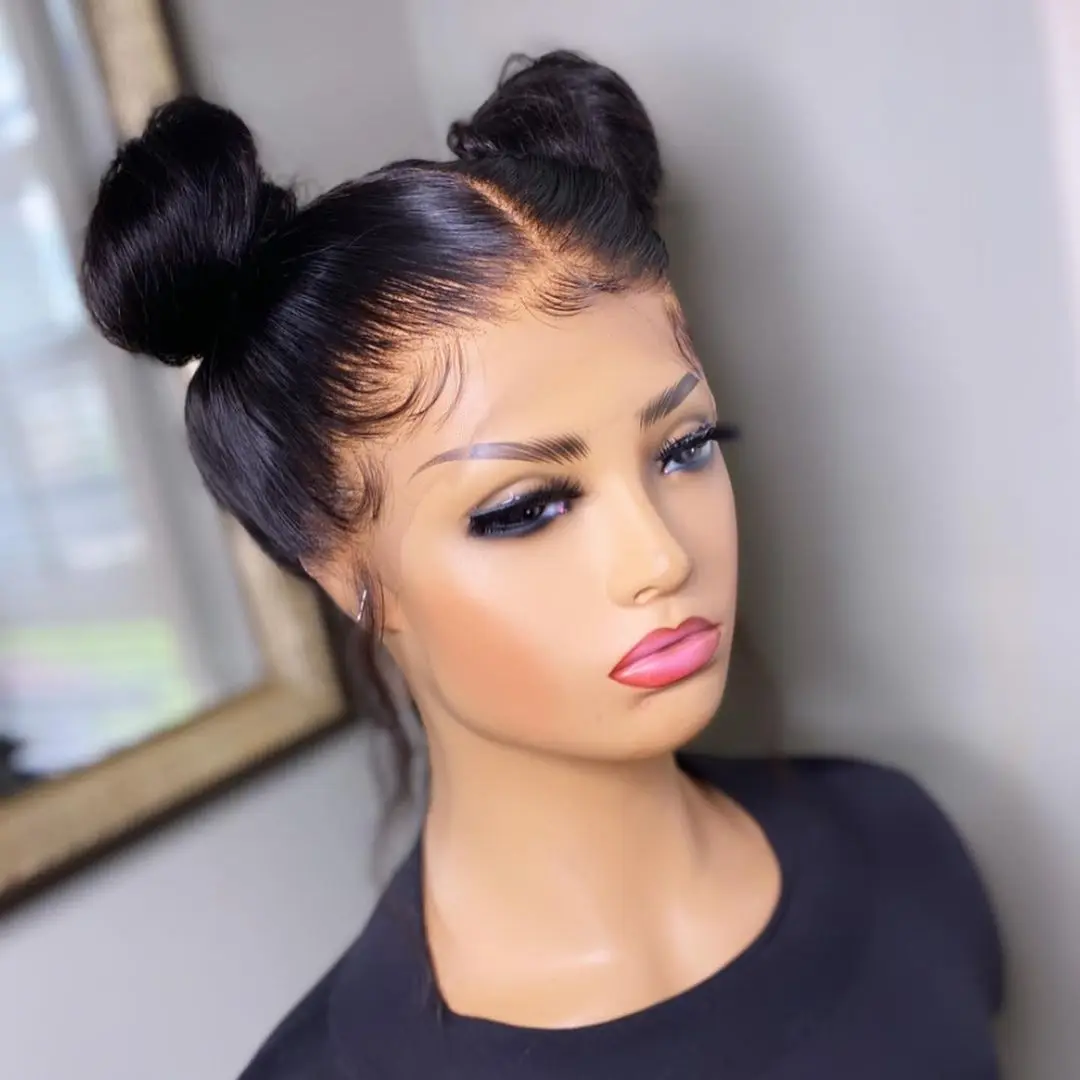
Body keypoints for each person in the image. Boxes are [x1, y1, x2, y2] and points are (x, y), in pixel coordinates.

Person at [80, 50, 1003, 1080]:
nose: (660, 556)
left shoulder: (904, 848)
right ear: (342, 569)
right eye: (527, 509)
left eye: (685, 448)